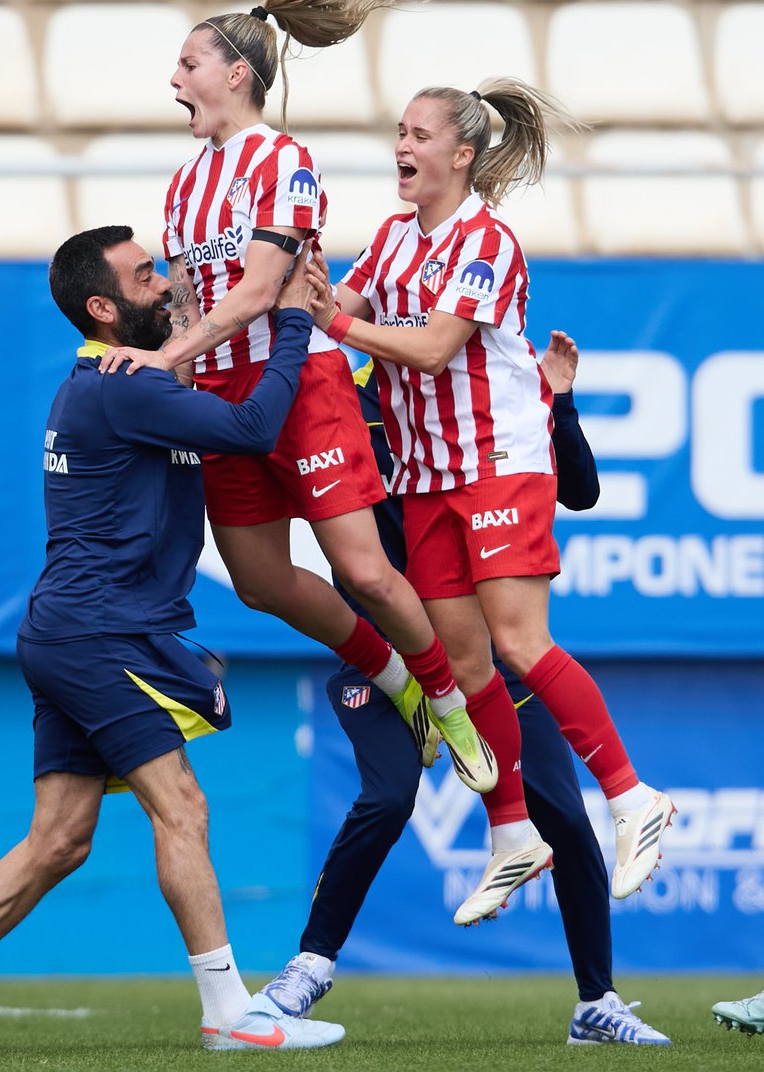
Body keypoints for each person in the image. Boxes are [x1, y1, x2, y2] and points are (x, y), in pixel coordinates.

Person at [0, 225, 344, 1052]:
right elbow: (255, 428)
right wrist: (291, 319)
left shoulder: (124, 377)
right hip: (99, 632)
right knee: (180, 804)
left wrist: (193, 309)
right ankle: (229, 1014)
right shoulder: (124, 386)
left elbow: (182, 360)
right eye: (145, 276)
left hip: (73, 629)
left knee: (59, 840)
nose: (164, 283)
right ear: (103, 308)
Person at [98, 0, 494, 794]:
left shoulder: (284, 160)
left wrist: (164, 363)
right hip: (222, 393)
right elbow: (194, 303)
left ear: (237, 74)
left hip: (298, 381)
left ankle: (448, 701)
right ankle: (399, 681)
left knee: (362, 570)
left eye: (188, 64)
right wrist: (178, 375)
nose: (175, 81)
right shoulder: (183, 183)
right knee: (259, 582)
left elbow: (259, 291)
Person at [303, 79, 675, 924]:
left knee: (519, 643)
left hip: (499, 464)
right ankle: (512, 835)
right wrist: (293, 281)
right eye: (399, 131)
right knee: (468, 669)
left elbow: (434, 347)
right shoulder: (391, 239)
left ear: (462, 153)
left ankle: (632, 797)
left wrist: (335, 323)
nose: (402, 146)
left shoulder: (488, 240)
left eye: (419, 134)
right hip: (427, 476)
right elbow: (331, 309)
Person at [259, 336, 671, 1047]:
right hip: (384, 656)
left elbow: (580, 491)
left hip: (477, 660)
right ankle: (307, 968)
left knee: (565, 819)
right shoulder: (335, 398)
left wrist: (559, 400)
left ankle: (597, 1003)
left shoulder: (486, 394)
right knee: (388, 798)